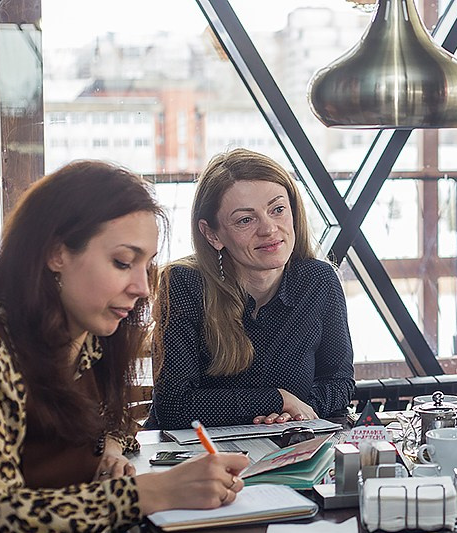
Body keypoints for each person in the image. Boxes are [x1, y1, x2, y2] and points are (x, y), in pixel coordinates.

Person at [0, 160, 250, 533]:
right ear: (55, 253)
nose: (143, 287)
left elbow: (112, 428)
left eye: (148, 265)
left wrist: (110, 455)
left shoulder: (85, 346)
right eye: (123, 262)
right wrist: (148, 495)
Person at [148, 147, 354, 430]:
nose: (269, 229)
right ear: (212, 234)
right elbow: (174, 406)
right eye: (246, 219)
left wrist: (295, 415)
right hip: (196, 461)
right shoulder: (184, 283)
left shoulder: (318, 280)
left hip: (288, 449)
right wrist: (276, 401)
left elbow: (339, 382)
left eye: (277, 210)